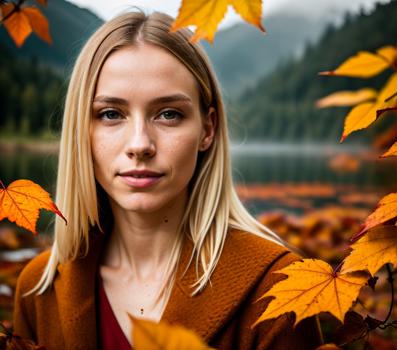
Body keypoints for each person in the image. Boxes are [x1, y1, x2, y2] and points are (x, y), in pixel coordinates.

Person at [13, 10, 322, 350]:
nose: (140, 145)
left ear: (208, 128)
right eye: (111, 114)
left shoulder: (278, 288)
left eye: (169, 114)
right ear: (81, 130)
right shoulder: (38, 290)